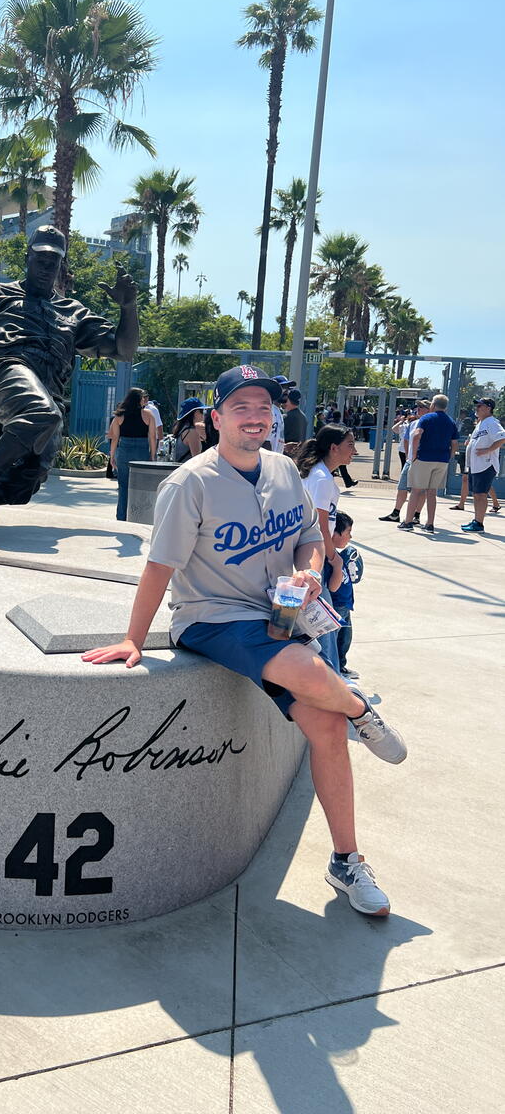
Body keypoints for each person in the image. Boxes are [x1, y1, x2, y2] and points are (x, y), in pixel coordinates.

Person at [82, 365, 406, 918]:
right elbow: (160, 567)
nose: (255, 416)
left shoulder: (283, 469)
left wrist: (307, 570)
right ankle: (362, 711)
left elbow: (308, 536)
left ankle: (346, 859)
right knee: (312, 677)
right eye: (242, 407)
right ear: (217, 417)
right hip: (213, 618)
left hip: (281, 614)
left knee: (323, 726)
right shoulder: (190, 483)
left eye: (265, 408)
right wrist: (134, 639)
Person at [0, 225, 138, 528]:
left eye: (53, 261)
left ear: (61, 265)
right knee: (42, 414)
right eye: (40, 259)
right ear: (28, 258)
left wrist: (129, 307)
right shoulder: (0, 293)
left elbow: (124, 350)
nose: (46, 267)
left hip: (51, 397)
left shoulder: (75, 313)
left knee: (22, 485)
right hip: (11, 372)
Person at [298, 424, 358, 673]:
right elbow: (320, 526)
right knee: (325, 628)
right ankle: (333, 681)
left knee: (316, 626)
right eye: (350, 445)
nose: (354, 451)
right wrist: (335, 560)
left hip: (310, 556)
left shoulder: (319, 474)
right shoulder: (321, 479)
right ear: (334, 448)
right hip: (315, 559)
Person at [398, 394, 458, 535]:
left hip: (424, 458)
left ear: (433, 405)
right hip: (442, 460)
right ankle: (430, 524)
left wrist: (413, 455)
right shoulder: (451, 422)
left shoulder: (426, 418)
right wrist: (449, 456)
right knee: (432, 493)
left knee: (416, 491)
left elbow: (417, 434)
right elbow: (454, 443)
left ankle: (407, 522)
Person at [324, 510, 363, 680]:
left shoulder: (337, 555)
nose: (350, 537)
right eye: (348, 532)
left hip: (344, 605)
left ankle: (340, 666)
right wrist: (338, 566)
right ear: (334, 533)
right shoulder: (331, 559)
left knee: (345, 638)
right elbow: (332, 588)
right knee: (337, 640)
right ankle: (336, 670)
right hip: (337, 606)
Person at [108, 386, 157, 521]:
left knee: (123, 486)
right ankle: (139, 516)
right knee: (142, 487)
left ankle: (121, 517)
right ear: (138, 399)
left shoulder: (119, 415)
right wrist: (153, 455)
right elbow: (152, 436)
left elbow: (115, 438)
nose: (144, 400)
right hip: (142, 451)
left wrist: (112, 456)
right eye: (143, 398)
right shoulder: (148, 415)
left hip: (124, 450)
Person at [377, 404, 429, 525]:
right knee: (402, 487)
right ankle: (396, 513)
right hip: (410, 460)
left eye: (422, 407)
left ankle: (416, 515)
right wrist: (407, 455)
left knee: (421, 491)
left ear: (429, 409)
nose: (418, 409)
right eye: (418, 407)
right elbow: (406, 440)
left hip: (422, 461)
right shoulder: (413, 423)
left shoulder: (430, 424)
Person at [460, 397, 505, 533]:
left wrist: (488, 450)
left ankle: (479, 523)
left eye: (480, 406)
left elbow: (502, 437)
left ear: (488, 408)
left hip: (486, 465)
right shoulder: (481, 423)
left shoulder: (492, 422)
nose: (477, 408)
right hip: (476, 465)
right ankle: (476, 520)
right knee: (477, 494)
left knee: (481, 494)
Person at [171, 396, 214, 462]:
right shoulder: (192, 432)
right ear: (196, 413)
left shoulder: (181, 428)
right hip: (188, 470)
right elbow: (197, 459)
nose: (204, 415)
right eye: (202, 412)